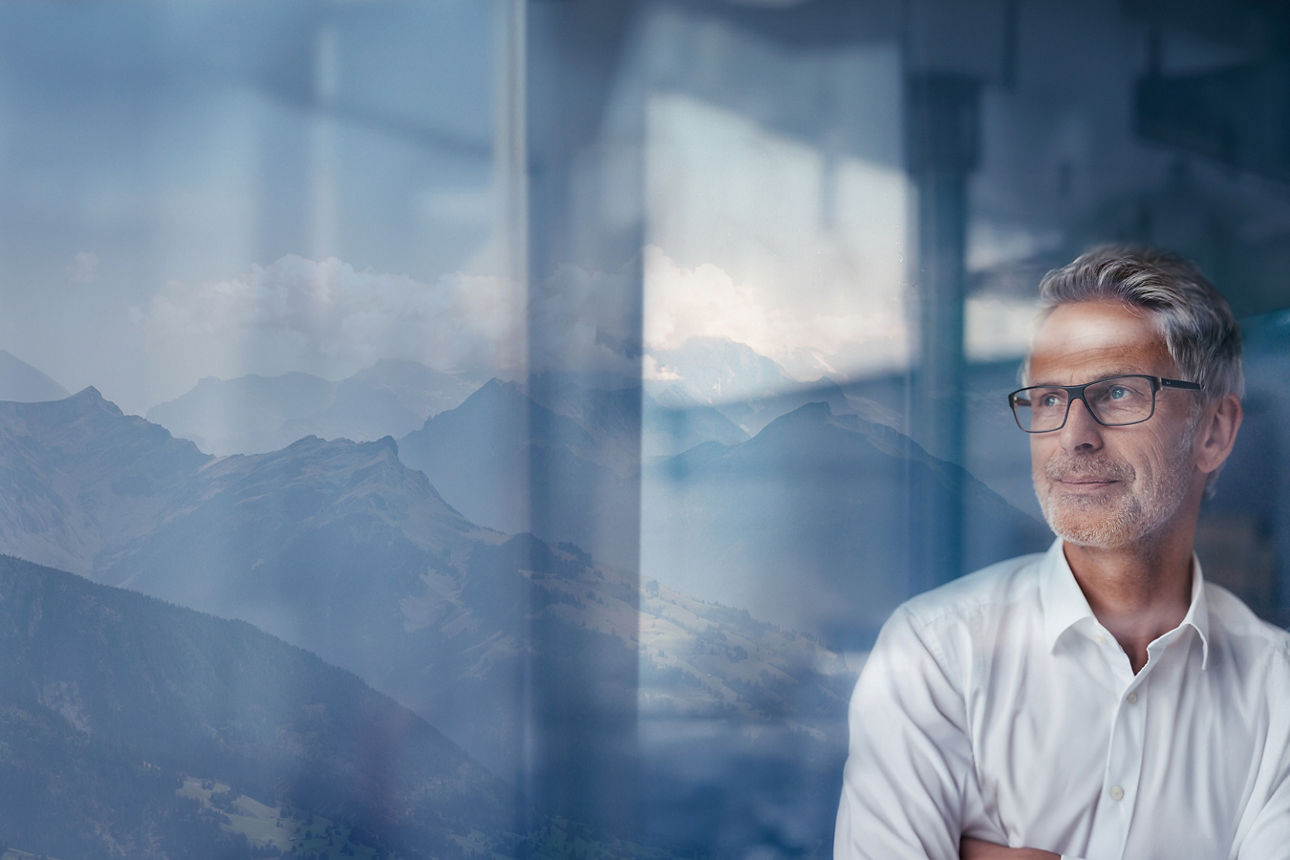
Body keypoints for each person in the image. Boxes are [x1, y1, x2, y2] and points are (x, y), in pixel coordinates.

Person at [835, 246, 1290, 859]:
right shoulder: (934, 653)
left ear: (1214, 431)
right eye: (1049, 398)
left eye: (1120, 393)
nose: (1074, 436)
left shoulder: (1277, 692)